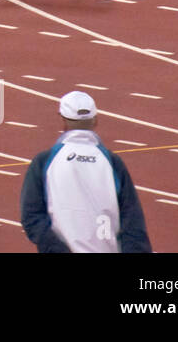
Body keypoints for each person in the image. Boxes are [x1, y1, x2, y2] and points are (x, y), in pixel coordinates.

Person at [19, 90, 152, 253]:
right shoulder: (113, 164)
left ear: (63, 120)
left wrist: (55, 249)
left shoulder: (44, 162)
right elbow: (132, 221)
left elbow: (31, 217)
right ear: (95, 120)